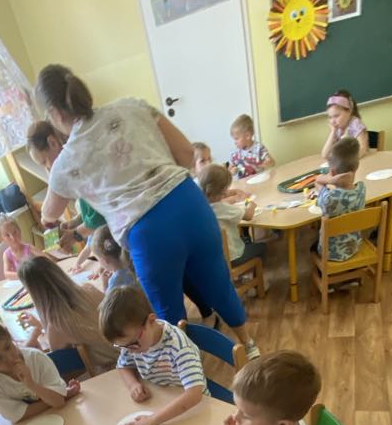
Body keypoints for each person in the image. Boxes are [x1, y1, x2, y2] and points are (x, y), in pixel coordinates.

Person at [35, 64, 259, 358]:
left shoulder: (66, 163)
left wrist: (51, 214)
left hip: (148, 232)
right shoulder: (132, 106)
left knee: (168, 313)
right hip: (189, 203)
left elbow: (50, 214)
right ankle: (249, 346)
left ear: (54, 113)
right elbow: (186, 154)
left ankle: (189, 371)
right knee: (218, 282)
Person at [99, 285, 207, 425]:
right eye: (122, 347)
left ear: (151, 321)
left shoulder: (179, 347)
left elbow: (194, 395)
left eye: (133, 344)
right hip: (161, 401)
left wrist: (153, 420)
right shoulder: (133, 342)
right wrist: (133, 385)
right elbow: (123, 366)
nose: (130, 352)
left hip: (193, 409)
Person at [0, 312, 79, 424]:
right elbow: (15, 417)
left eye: (7, 347)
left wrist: (31, 384)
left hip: (63, 417)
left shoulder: (36, 358)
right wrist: (60, 396)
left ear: (8, 334)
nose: (10, 358)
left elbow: (58, 403)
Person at [26, 119, 106, 275]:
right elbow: (92, 208)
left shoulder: (78, 162)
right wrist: (75, 222)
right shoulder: (73, 169)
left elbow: (99, 217)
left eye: (45, 161)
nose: (47, 167)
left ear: (53, 142)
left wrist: (75, 235)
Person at [17, 254, 118, 370]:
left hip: (115, 369)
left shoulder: (56, 324)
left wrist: (39, 331)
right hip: (129, 348)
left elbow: (60, 363)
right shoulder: (88, 288)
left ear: (34, 293)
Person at [198, 163, 265, 265]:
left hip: (215, 259)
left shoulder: (201, 207)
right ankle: (252, 269)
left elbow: (221, 202)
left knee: (243, 239)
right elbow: (248, 216)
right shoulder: (224, 208)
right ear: (222, 191)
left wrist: (233, 196)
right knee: (263, 246)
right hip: (233, 257)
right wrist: (251, 205)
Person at [314, 137, 368, 261]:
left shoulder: (329, 198)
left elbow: (317, 181)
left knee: (312, 244)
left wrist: (329, 180)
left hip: (330, 254)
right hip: (354, 246)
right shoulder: (362, 189)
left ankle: (325, 270)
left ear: (332, 172)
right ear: (357, 167)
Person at [320, 89, 369, 159]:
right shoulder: (337, 129)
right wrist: (333, 132)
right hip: (347, 162)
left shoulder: (355, 124)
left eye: (336, 116)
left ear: (349, 111)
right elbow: (325, 155)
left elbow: (363, 149)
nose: (333, 121)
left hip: (359, 161)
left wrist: (348, 162)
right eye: (330, 117)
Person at [90, 224, 136, 292]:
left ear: (105, 260)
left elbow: (109, 298)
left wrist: (105, 285)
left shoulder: (115, 282)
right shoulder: (134, 263)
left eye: (98, 259)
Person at [228, 113, 275, 179]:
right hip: (243, 183)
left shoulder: (259, 148)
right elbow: (230, 169)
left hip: (259, 180)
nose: (235, 142)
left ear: (247, 136)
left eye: (237, 139)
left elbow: (272, 162)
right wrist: (231, 172)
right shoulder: (236, 153)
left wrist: (260, 166)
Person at [0, 214, 40, 280]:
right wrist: (23, 275)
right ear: (2, 239)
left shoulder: (29, 248)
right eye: (7, 235)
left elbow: (47, 258)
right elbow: (6, 273)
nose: (12, 237)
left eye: (14, 232)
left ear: (19, 230)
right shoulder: (7, 254)